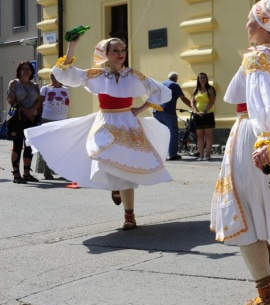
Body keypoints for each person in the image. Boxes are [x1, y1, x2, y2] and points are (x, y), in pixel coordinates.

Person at [211, 0, 270, 305]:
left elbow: (256, 101)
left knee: (243, 209)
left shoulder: (256, 58)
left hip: (255, 133)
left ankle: (266, 292)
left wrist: (264, 137)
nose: (246, 24)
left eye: (250, 19)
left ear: (263, 25)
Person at [25, 37, 172, 230]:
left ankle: (129, 215)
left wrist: (140, 108)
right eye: (116, 51)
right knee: (102, 153)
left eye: (123, 50)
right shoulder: (97, 75)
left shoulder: (134, 75)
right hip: (105, 121)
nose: (121, 54)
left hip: (128, 123)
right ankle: (115, 186)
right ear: (106, 54)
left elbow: (160, 91)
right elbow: (66, 73)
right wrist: (72, 46)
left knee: (127, 169)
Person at [6, 61, 42, 183]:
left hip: (31, 119)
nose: (26, 71)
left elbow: (39, 101)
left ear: (32, 71)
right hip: (18, 118)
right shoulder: (14, 83)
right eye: (23, 69)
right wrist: (25, 110)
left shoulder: (35, 86)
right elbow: (11, 100)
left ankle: (27, 173)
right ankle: (16, 175)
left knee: (29, 146)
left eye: (28, 69)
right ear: (19, 71)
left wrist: (32, 111)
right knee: (17, 146)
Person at [153, 72, 191, 161]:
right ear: (176, 79)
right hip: (168, 111)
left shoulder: (160, 84)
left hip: (156, 111)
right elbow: (183, 98)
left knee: (160, 133)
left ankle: (159, 154)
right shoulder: (174, 85)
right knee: (173, 133)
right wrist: (194, 107)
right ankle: (172, 154)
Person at [38, 72, 70, 180]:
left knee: (61, 147)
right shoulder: (45, 89)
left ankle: (62, 170)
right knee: (48, 146)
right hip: (47, 119)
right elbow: (39, 103)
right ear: (51, 78)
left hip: (62, 120)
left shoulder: (66, 89)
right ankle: (47, 172)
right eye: (54, 77)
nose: (56, 79)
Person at [191, 72, 216, 161]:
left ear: (206, 79)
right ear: (198, 79)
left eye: (203, 78)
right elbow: (192, 102)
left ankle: (207, 154)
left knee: (208, 134)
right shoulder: (196, 90)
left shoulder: (210, 89)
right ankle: (201, 155)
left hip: (208, 114)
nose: (202, 79)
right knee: (200, 135)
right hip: (197, 115)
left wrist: (204, 111)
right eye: (200, 78)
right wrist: (195, 111)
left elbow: (212, 102)